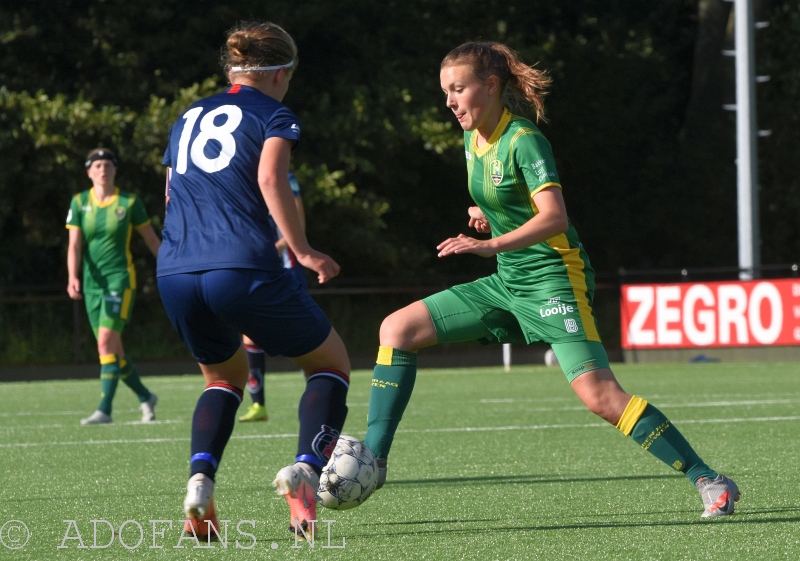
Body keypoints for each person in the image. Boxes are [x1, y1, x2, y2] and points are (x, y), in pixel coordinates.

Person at [362, 41, 740, 519]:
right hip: (507, 282)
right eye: (446, 92)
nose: (450, 102)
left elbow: (555, 217)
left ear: (492, 86)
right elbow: (512, 203)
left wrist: (491, 244)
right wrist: (487, 217)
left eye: (459, 89)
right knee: (397, 330)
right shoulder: (472, 137)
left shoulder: (523, 140)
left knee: (601, 398)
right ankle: (373, 461)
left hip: (553, 282)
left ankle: (708, 479)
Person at [157, 21, 350, 540]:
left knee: (223, 379)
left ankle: (200, 482)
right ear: (280, 73)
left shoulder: (187, 114)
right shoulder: (274, 112)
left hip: (175, 269)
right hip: (239, 264)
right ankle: (306, 472)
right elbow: (270, 180)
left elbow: (172, 193)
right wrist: (305, 251)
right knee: (329, 364)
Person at [66, 148, 160, 425]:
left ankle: (105, 409)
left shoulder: (129, 202)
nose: (103, 169)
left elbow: (152, 240)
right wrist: (73, 277)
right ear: (89, 172)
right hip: (92, 284)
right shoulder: (79, 202)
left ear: (115, 170)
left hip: (120, 280)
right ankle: (145, 396)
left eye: (108, 165)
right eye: (97, 166)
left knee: (105, 342)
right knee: (112, 351)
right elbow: (74, 244)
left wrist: (171, 267)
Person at [239, 171, 307, 423]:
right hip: (257, 267)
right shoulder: (242, 173)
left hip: (286, 267)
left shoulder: (285, 176)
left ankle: (320, 385)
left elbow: (298, 226)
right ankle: (259, 405)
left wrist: (269, 249)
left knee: (300, 330)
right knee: (249, 331)